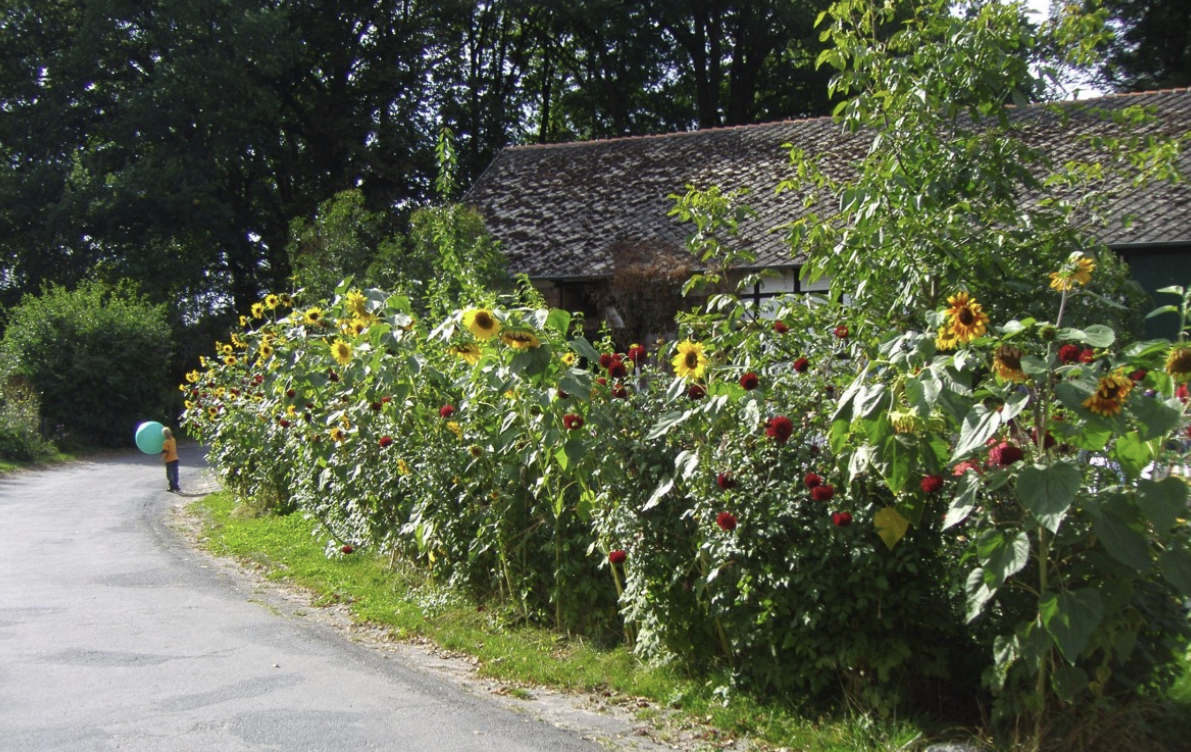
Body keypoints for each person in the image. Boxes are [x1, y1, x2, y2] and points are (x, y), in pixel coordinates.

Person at [162, 427, 180, 493]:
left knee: (170, 474)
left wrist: (162, 458)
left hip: (169, 460)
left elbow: (165, 452)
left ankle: (172, 487)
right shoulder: (173, 440)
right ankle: (177, 486)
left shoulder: (165, 443)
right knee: (175, 473)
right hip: (175, 459)